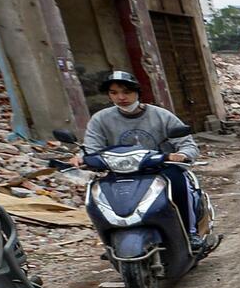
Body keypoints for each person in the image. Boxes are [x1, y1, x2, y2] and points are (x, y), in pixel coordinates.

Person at [81, 71, 206, 242]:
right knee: (97, 197)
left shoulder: (160, 115)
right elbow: (91, 147)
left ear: (137, 92)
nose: (121, 97)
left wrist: (182, 154)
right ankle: (109, 240)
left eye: (126, 92)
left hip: (160, 169)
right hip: (120, 172)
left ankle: (190, 233)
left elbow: (187, 143)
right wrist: (82, 157)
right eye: (114, 93)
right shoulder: (100, 119)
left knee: (178, 185)